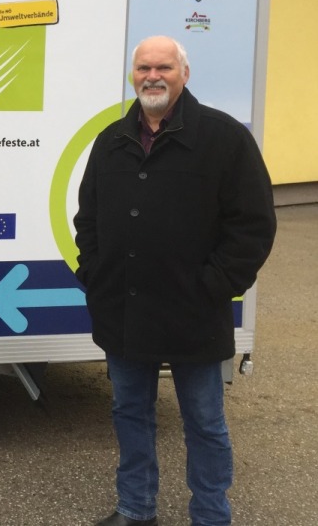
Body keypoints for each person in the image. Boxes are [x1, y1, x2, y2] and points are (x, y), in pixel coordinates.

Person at [73, 36, 277, 526]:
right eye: (143, 67)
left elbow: (253, 225)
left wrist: (215, 284)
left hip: (194, 310)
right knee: (130, 414)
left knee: (204, 422)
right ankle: (135, 509)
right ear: (133, 76)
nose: (152, 76)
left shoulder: (224, 138)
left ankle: (210, 514)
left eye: (164, 67)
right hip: (124, 310)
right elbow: (88, 219)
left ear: (184, 73)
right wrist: (95, 274)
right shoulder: (111, 140)